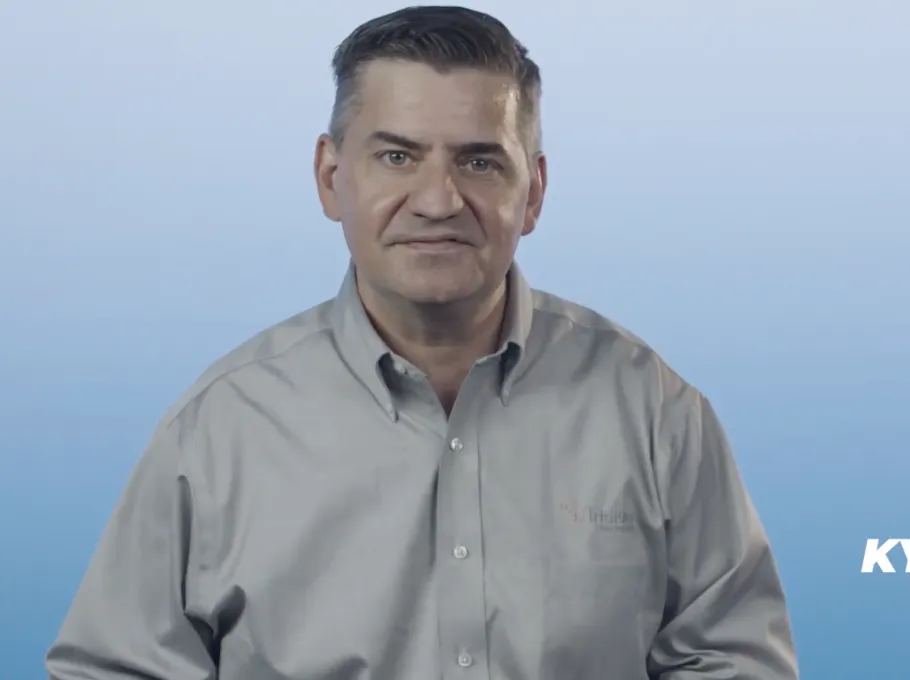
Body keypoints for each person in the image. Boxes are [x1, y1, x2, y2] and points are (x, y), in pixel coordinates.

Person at [46, 6, 798, 679]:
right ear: (330, 176)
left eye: (478, 160)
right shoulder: (218, 431)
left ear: (532, 192)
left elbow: (735, 659)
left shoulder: (654, 412)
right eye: (398, 156)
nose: (439, 201)